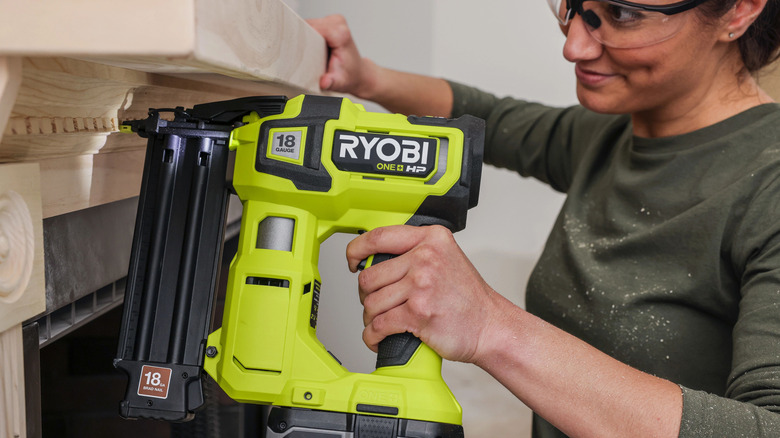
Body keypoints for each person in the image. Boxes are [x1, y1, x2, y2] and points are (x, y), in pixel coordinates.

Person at [307, 0, 780, 436]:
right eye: (573, 6)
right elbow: (490, 116)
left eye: (621, 13)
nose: (573, 45)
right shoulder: (612, 134)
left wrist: (490, 325)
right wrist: (365, 77)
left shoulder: (768, 184)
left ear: (739, 11)